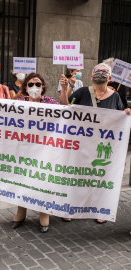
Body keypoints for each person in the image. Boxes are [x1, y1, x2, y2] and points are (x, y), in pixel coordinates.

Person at [59, 62, 131, 224]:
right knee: (77, 176)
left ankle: (100, 209)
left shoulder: (116, 97)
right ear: (91, 77)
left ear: (110, 78)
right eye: (97, 71)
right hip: (81, 145)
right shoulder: (83, 92)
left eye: (104, 72)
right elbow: (65, 106)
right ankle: (71, 207)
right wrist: (64, 90)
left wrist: (127, 113)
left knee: (101, 178)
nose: (100, 73)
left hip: (103, 147)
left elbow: (121, 119)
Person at [10, 72, 59, 233]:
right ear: (25, 87)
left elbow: (65, 113)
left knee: (41, 180)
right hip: (23, 147)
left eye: (38, 84)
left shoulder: (50, 102)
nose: (34, 87)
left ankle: (44, 214)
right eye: (30, 84)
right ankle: (21, 212)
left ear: (43, 87)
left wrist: (65, 90)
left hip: (44, 149)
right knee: (21, 179)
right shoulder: (19, 102)